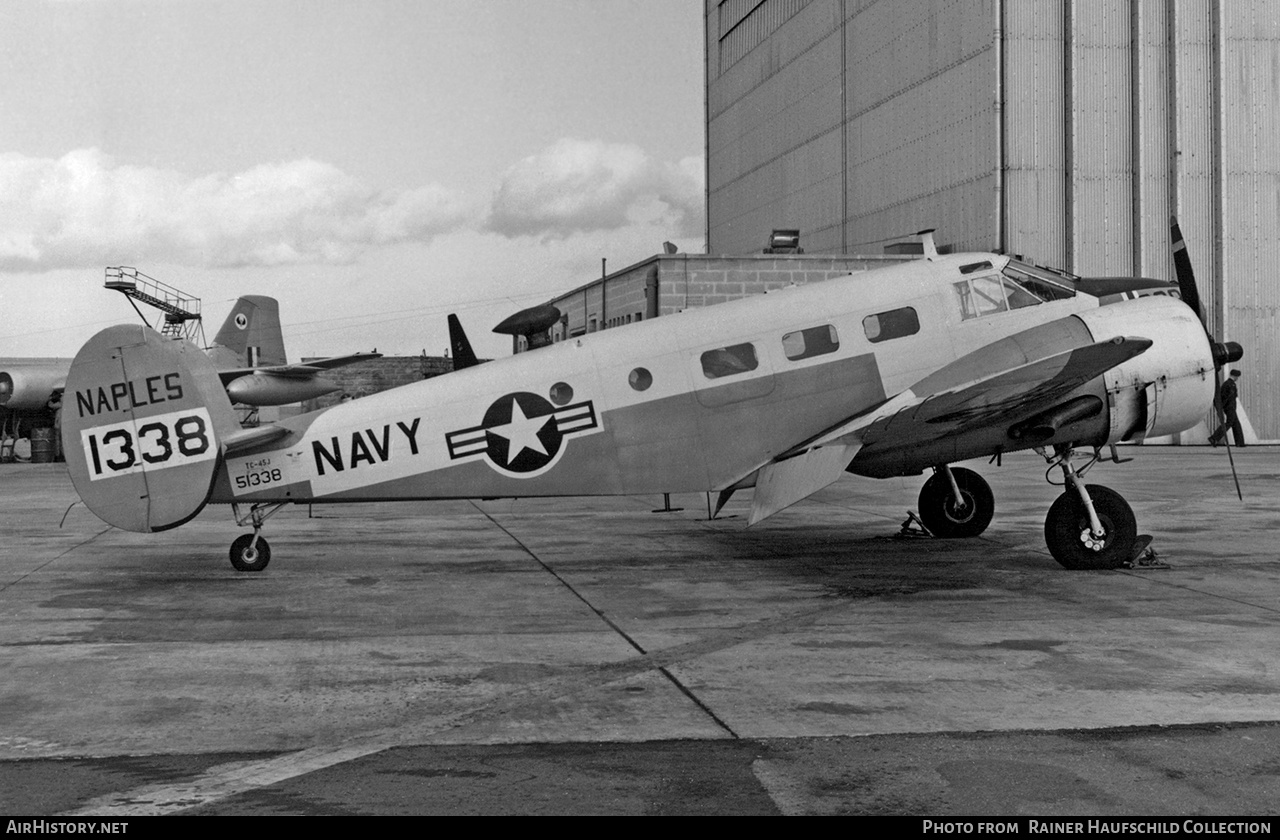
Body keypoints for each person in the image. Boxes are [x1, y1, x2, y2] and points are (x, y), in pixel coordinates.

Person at [1209, 369, 1245, 447]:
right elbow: (1227, 397)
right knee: (1229, 423)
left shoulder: (1228, 384)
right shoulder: (1230, 384)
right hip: (1229, 408)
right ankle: (1214, 438)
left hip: (1229, 407)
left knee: (1236, 424)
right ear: (1235, 376)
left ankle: (1240, 443)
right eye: (1237, 376)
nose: (1237, 378)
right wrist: (1224, 407)